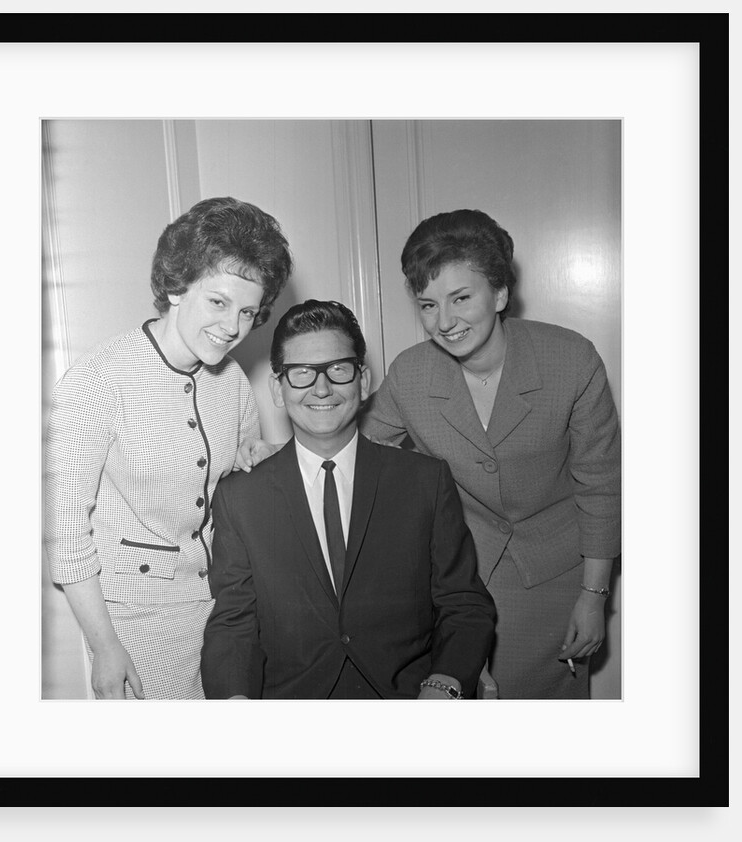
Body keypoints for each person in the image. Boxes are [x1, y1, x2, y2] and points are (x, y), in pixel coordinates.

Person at [360, 209, 621, 699]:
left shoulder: (572, 359)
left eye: (461, 298)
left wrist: (595, 596)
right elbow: (359, 454)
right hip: (460, 581)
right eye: (428, 304)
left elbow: (601, 484)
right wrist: (270, 451)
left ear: (500, 293)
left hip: (558, 580)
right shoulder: (411, 373)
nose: (445, 321)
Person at [44, 196, 293, 700]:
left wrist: (257, 461)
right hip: (135, 622)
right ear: (177, 286)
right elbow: (66, 535)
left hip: (227, 613)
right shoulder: (98, 379)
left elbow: (236, 490)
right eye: (218, 302)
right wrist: (105, 647)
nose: (232, 327)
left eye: (248, 311)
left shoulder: (234, 382)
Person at [201, 300, 496, 700]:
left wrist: (444, 684)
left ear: (363, 380)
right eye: (301, 374)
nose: (321, 389)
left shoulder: (424, 481)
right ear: (277, 388)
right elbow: (233, 622)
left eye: (338, 369)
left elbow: (464, 604)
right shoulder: (241, 496)